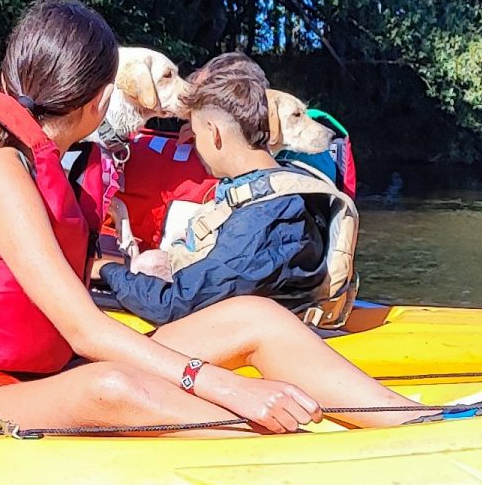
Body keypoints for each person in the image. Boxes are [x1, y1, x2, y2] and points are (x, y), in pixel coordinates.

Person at [0, 0, 433, 434]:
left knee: (253, 316)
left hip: (43, 369)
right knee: (113, 385)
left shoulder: (57, 158)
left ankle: (417, 424)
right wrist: (223, 387)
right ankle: (292, 458)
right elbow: (83, 329)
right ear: (98, 99)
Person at [99, 55, 355, 327]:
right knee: (149, 262)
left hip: (245, 331)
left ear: (214, 133)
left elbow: (173, 304)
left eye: (196, 135)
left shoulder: (263, 222)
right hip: (240, 302)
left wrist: (104, 270)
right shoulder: (275, 191)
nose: (194, 146)